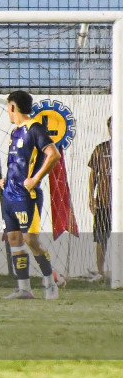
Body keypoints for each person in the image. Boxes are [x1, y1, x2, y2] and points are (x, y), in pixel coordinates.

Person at [0, 91, 62, 300]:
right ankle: (24, 289)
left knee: (30, 240)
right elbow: (18, 163)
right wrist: (6, 180)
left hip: (27, 196)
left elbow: (53, 154)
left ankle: (50, 283)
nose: (8, 111)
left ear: (13, 107)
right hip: (9, 195)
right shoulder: (15, 132)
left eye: (8, 107)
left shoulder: (35, 128)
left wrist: (34, 180)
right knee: (14, 239)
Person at [88, 116, 112, 281]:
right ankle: (101, 272)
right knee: (101, 238)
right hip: (104, 201)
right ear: (109, 129)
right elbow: (93, 174)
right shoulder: (101, 149)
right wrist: (91, 196)